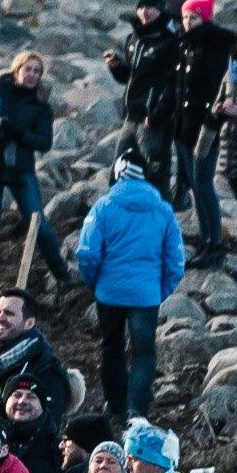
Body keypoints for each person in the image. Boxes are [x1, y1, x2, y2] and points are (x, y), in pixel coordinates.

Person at [70, 150, 186, 422]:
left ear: (117, 173)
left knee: (111, 347)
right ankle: (137, 410)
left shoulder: (103, 207)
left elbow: (87, 254)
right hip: (146, 296)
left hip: (109, 293)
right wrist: (160, 290)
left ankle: (115, 406)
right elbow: (176, 261)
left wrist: (96, 283)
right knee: (144, 353)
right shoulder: (163, 210)